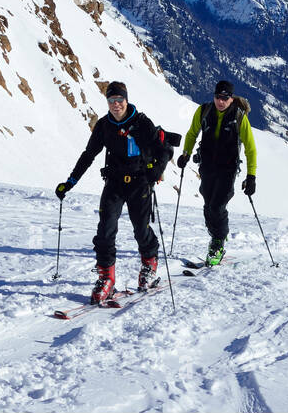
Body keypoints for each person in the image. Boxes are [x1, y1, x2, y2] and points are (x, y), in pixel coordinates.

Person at [55, 81, 171, 302]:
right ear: (107, 102)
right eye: (112, 101)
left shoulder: (142, 123)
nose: (116, 105)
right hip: (115, 183)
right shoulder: (104, 126)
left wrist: (156, 171)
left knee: (140, 228)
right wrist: (70, 183)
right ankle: (106, 278)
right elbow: (89, 155)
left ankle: (149, 265)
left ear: (126, 100)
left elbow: (164, 150)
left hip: (140, 183)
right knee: (105, 229)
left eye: (120, 100)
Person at [178, 80, 257, 266]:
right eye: (217, 97)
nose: (220, 101)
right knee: (208, 205)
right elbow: (192, 134)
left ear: (231, 99)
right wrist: (186, 153)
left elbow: (250, 148)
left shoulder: (239, 117)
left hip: (227, 169)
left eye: (225, 98)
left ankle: (218, 242)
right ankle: (216, 235)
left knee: (217, 206)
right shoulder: (204, 111)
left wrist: (251, 176)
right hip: (207, 166)